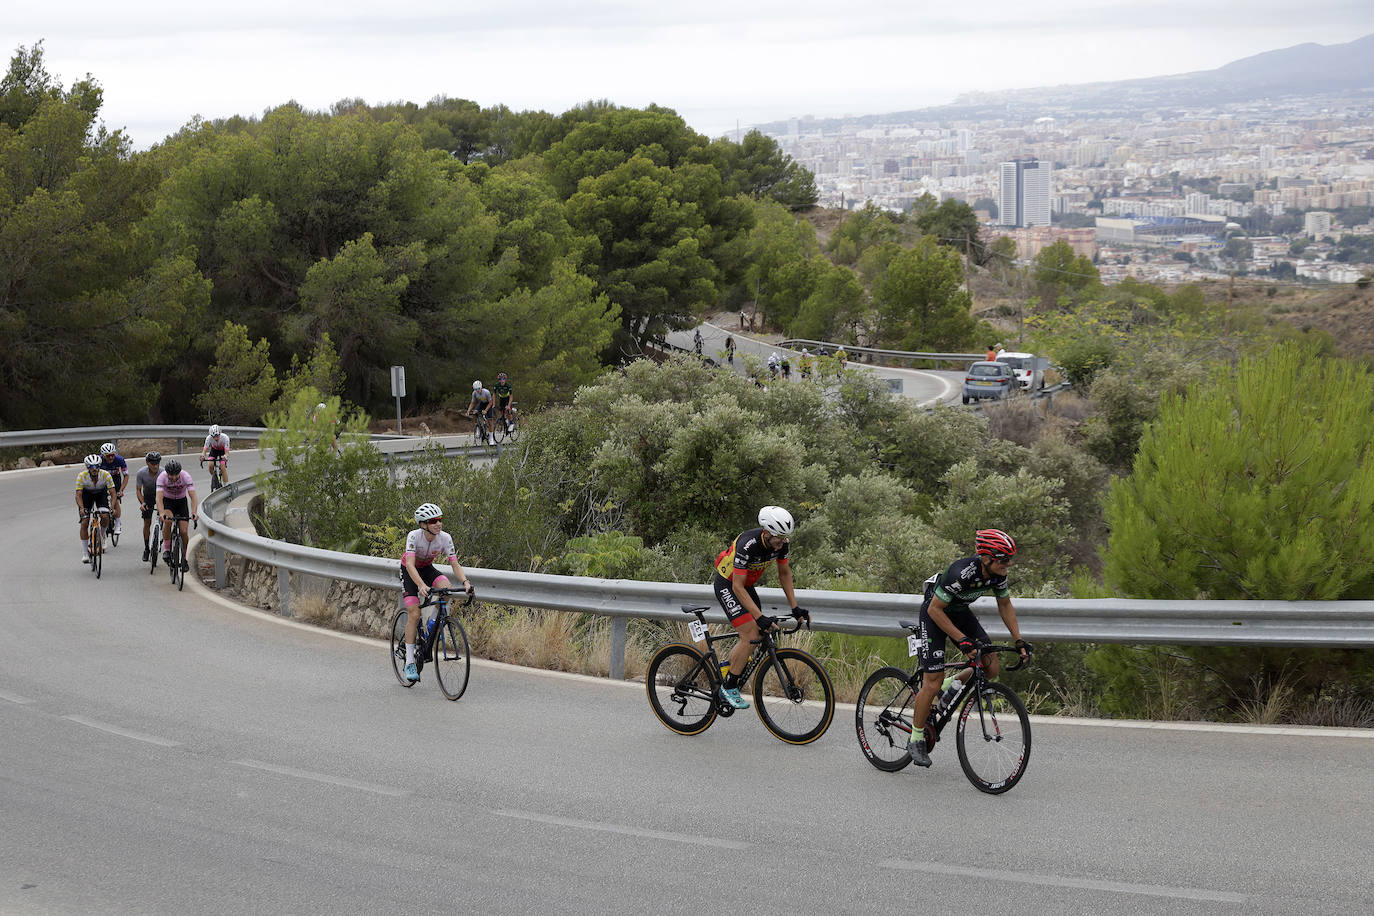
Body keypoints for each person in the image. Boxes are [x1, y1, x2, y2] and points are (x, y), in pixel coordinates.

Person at [906, 529, 1031, 768]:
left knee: (990, 666)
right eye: (1004, 559)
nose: (1009, 564)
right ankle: (916, 737)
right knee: (931, 681)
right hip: (934, 613)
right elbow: (935, 610)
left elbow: (1004, 604)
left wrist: (1018, 640)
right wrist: (962, 640)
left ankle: (949, 685)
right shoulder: (961, 573)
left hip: (959, 612)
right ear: (986, 558)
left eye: (1010, 558)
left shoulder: (997, 575)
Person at [710, 506, 810, 709]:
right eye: (779, 538)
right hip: (728, 584)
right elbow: (737, 587)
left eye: (785, 538)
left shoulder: (781, 544)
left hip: (745, 586)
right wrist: (760, 616)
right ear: (766, 532)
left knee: (757, 634)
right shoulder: (748, 545)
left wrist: (795, 607)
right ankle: (728, 687)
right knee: (751, 633)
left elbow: (784, 574)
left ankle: (728, 670)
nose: (782, 542)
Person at [400, 503, 475, 683]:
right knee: (415, 613)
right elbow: (410, 564)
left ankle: (433, 622)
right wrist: (420, 585)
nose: (438, 524)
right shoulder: (414, 536)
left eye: (440, 519)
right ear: (423, 524)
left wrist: (465, 582)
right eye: (433, 521)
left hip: (427, 568)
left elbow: (454, 564)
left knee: (446, 588)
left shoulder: (445, 538)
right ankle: (409, 661)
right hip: (410, 571)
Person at [156, 459, 199, 571]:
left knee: (184, 531)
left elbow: (193, 496)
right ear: (167, 473)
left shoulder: (186, 476)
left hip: (181, 502)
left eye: (176, 475)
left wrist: (194, 512)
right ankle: (166, 549)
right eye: (171, 475)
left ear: (179, 472)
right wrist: (161, 513)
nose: (174, 478)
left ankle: (184, 559)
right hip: (168, 502)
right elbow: (159, 498)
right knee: (168, 520)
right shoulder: (162, 477)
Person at [74, 455, 118, 564]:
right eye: (91, 466)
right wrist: (82, 508)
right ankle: (85, 553)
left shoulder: (106, 475)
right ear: (87, 468)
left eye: (97, 466)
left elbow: (113, 493)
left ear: (100, 466)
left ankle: (101, 536)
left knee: (105, 516)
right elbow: (78, 495)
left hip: (100, 495)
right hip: (86, 496)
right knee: (84, 522)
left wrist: (112, 508)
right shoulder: (81, 476)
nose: (94, 469)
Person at [134, 452, 162, 562]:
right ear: (147, 463)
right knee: (147, 522)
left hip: (162, 495)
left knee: (165, 518)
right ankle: (146, 549)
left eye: (157, 463)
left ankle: (162, 536)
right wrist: (142, 503)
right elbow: (138, 490)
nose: (155, 465)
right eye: (152, 463)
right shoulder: (141, 473)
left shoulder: (163, 472)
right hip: (148, 496)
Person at [97, 442, 129, 534]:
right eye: (108, 456)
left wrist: (121, 490)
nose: (111, 457)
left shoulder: (120, 460)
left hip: (115, 480)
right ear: (103, 456)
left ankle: (118, 523)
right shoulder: (99, 460)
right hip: (103, 480)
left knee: (115, 501)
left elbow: (126, 476)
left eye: (112, 455)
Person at [466, 380, 497, 445]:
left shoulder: (486, 392)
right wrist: (468, 410)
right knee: (474, 413)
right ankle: (477, 427)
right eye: (476, 389)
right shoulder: (474, 393)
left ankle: (491, 438)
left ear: (481, 387)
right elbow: (473, 403)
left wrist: (486, 410)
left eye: (478, 389)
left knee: (490, 421)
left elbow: (490, 403)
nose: (477, 390)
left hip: (488, 404)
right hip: (481, 403)